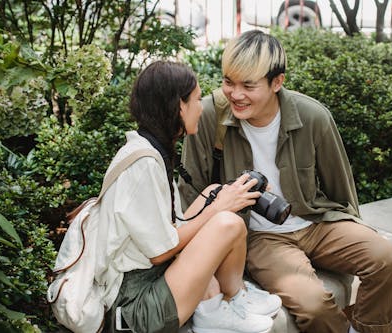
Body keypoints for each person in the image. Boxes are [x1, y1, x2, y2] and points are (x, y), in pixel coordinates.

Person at [178, 30, 392, 333]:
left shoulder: (313, 117)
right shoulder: (210, 116)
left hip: (317, 221)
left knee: (387, 259)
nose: (235, 94)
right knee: (314, 307)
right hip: (260, 238)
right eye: (228, 81)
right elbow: (191, 195)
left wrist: (351, 230)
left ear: (277, 82)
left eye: (248, 85)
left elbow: (340, 185)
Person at [99, 60, 281, 333]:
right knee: (226, 222)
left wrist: (226, 195)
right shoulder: (144, 164)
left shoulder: (148, 148)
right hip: (139, 308)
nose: (201, 108)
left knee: (213, 192)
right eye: (197, 100)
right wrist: (218, 209)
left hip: (147, 281)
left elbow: (165, 232)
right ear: (179, 106)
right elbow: (160, 252)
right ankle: (213, 313)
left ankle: (234, 296)